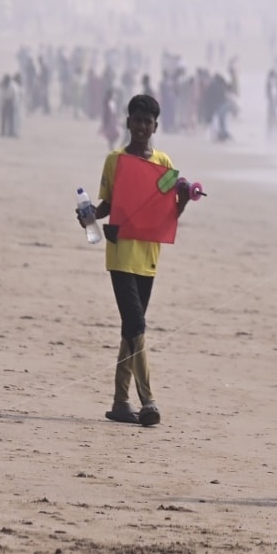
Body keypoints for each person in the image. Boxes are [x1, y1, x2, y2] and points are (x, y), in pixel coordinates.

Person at [77, 94, 190, 427]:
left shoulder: (165, 165)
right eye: (137, 120)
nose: (142, 127)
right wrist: (88, 217)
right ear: (128, 123)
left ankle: (120, 401)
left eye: (148, 121)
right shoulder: (115, 160)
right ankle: (148, 401)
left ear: (156, 125)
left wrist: (183, 199)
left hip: (149, 256)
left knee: (131, 328)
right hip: (121, 253)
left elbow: (169, 212)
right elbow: (109, 203)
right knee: (137, 324)